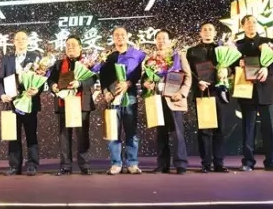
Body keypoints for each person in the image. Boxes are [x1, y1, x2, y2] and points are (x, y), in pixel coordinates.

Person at [235, 15, 273, 172]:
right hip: (246, 91)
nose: (251, 25)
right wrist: (237, 63)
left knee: (269, 128)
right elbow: (229, 67)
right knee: (248, 129)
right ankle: (248, 161)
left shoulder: (268, 42)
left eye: (254, 22)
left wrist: (267, 69)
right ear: (242, 26)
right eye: (248, 23)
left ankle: (271, 161)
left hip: (266, 91)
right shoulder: (237, 45)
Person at [142, 30, 191, 174]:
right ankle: (162, 164)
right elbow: (145, 77)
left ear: (170, 41)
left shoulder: (178, 56)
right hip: (157, 98)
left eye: (164, 38)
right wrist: (146, 83)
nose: (161, 41)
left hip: (174, 98)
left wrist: (182, 93)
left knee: (177, 133)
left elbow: (188, 76)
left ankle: (181, 164)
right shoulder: (151, 58)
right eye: (158, 38)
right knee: (160, 133)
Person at [48, 36, 97, 175]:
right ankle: (65, 166)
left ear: (80, 47)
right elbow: (51, 80)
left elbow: (93, 79)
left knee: (82, 136)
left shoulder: (87, 63)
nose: (70, 47)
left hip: (81, 103)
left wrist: (79, 83)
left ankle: (84, 165)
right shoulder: (59, 64)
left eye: (73, 45)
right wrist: (53, 86)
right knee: (64, 136)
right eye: (68, 45)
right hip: (63, 103)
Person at [100, 27, 145, 175]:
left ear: (127, 37)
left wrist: (128, 84)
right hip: (113, 98)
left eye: (122, 35)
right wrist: (106, 92)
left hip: (129, 97)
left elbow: (137, 74)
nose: (120, 37)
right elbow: (103, 78)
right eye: (116, 35)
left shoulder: (135, 55)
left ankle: (132, 163)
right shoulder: (109, 57)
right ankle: (116, 163)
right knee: (113, 132)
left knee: (131, 131)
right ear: (113, 38)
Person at [186, 22, 230, 173]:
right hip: (202, 93)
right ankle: (205, 163)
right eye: (204, 29)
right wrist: (198, 82)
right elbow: (188, 72)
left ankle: (219, 163)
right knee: (204, 130)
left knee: (220, 129)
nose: (207, 32)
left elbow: (231, 67)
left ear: (215, 33)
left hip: (219, 93)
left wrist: (226, 71)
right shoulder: (192, 51)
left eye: (210, 29)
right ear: (200, 33)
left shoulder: (222, 49)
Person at [0, 31, 41, 176]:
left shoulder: (35, 57)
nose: (21, 41)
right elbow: (0, 79)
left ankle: (32, 165)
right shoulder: (7, 59)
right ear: (13, 42)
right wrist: (2, 94)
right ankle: (15, 166)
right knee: (13, 135)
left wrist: (37, 90)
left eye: (23, 39)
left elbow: (41, 78)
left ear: (28, 41)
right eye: (18, 39)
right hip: (12, 103)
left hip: (29, 102)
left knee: (31, 134)